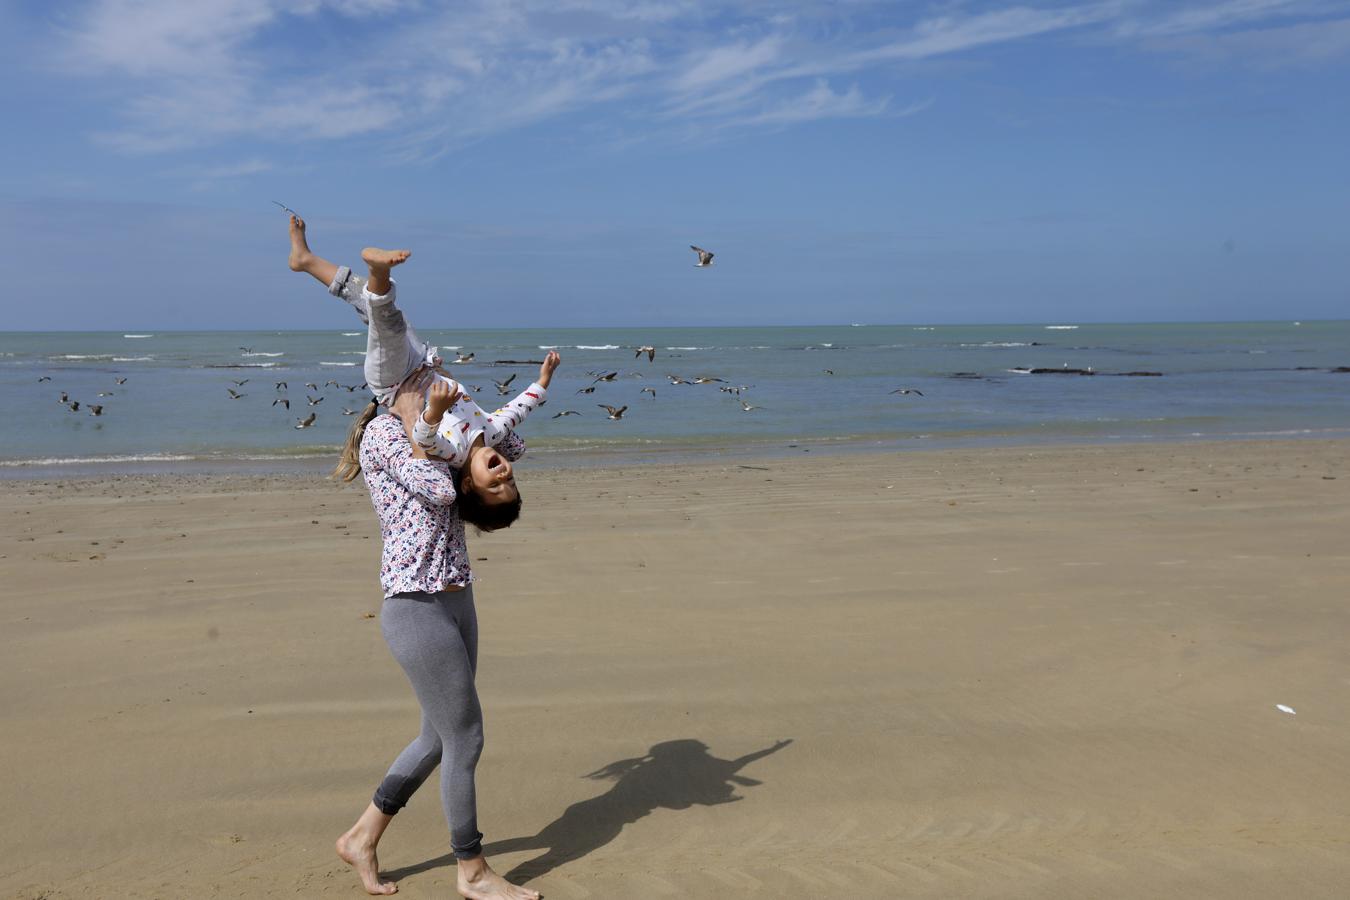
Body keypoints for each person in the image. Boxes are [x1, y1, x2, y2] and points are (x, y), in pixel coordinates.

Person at [330, 370, 541, 900]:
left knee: (436, 737)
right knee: (466, 738)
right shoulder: (386, 431)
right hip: (415, 606)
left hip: (457, 598)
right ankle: (471, 871)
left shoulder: (445, 436)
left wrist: (507, 406)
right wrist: (417, 419)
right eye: (422, 379)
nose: (436, 386)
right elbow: (434, 493)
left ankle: (361, 838)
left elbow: (511, 440)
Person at [289, 214, 558, 531]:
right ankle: (305, 259)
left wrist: (435, 413)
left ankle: (380, 270)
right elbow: (516, 410)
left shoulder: (453, 454)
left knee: (388, 322)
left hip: (395, 382)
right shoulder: (494, 432)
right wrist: (542, 383)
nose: (504, 477)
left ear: (469, 485)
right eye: (511, 482)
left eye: (496, 487)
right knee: (364, 300)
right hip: (422, 363)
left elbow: (423, 439)